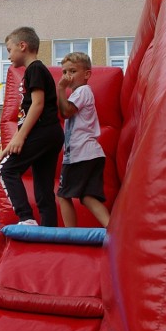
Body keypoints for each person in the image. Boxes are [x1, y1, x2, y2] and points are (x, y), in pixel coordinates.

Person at [0, 26, 63, 227]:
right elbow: (24, 115)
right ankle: (49, 230)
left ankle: (26, 217)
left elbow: (38, 104)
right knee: (43, 188)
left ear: (22, 46)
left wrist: (20, 137)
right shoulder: (35, 70)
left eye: (9, 50)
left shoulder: (34, 69)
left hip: (42, 131)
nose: (8, 56)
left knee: (6, 170)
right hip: (51, 134)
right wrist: (9, 145)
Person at [57, 52, 110, 228]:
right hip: (91, 153)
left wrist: (59, 89)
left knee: (63, 194)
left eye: (72, 71)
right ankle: (111, 228)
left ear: (87, 74)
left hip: (81, 154)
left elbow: (66, 112)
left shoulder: (83, 91)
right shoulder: (77, 94)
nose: (67, 76)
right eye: (64, 72)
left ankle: (69, 233)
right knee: (87, 197)